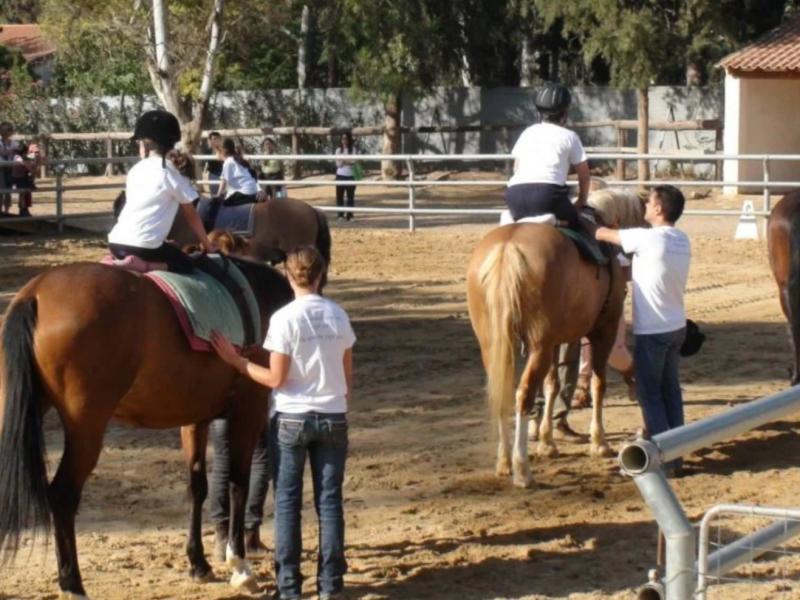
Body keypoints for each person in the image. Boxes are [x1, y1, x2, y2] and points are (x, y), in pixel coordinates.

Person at [210, 245, 355, 600]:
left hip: (291, 416)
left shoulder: (284, 319)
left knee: (288, 503)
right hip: (333, 415)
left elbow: (275, 378)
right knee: (330, 502)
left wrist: (237, 362)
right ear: (320, 275)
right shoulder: (339, 316)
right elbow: (347, 380)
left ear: (289, 277)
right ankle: (331, 586)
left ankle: (289, 587)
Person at [595, 185, 691, 473]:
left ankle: (662, 458)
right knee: (670, 391)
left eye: (648, 204)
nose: (644, 209)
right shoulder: (681, 239)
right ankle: (678, 453)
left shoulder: (645, 238)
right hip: (676, 326)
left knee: (650, 394)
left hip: (653, 330)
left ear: (659, 209)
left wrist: (601, 224)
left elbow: (600, 234)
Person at [108, 109, 216, 273]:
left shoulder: (135, 170)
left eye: (139, 143)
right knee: (186, 263)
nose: (139, 147)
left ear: (147, 144)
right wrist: (208, 246)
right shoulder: (171, 174)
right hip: (144, 248)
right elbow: (192, 217)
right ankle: (144, 265)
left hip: (116, 243)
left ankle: (113, 260)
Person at [505, 83, 590, 230]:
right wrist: (582, 200)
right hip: (548, 197)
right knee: (579, 222)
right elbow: (584, 175)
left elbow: (516, 168)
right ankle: (554, 222)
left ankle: (510, 219)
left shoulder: (527, 133)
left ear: (539, 113)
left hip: (514, 196)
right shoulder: (570, 137)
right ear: (565, 113)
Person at [218, 137, 259, 206]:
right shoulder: (239, 159)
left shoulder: (228, 162)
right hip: (253, 190)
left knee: (224, 206)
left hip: (244, 193)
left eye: (220, 149)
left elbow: (224, 182)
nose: (219, 151)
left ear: (225, 150)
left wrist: (218, 195)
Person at [11, 142, 40, 217]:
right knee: (22, 194)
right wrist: (34, 171)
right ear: (23, 152)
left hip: (22, 177)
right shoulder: (18, 158)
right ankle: (23, 210)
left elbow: (36, 157)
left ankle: (24, 209)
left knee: (24, 193)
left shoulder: (21, 157)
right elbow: (28, 166)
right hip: (18, 178)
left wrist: (37, 157)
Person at [334, 132, 357, 221]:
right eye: (343, 138)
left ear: (349, 139)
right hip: (340, 175)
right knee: (340, 196)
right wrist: (347, 161)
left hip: (350, 176)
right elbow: (338, 164)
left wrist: (344, 161)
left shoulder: (353, 150)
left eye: (346, 138)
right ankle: (340, 215)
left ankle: (350, 215)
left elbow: (353, 163)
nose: (344, 140)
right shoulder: (338, 150)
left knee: (350, 197)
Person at [0, 122, 19, 215]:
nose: (6, 132)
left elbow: (16, 154)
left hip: (10, 168)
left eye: (8, 129)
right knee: (1, 189)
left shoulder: (14, 143)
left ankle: (7, 211)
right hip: (1, 168)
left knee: (8, 190)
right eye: (3, 129)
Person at [202, 131, 224, 196]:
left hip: (224, 174)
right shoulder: (208, 150)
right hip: (214, 175)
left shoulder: (224, 150)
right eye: (214, 139)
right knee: (215, 195)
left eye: (217, 138)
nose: (216, 141)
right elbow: (205, 159)